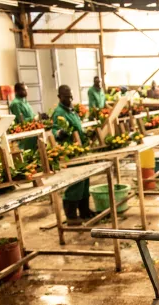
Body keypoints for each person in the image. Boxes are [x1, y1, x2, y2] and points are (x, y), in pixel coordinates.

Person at [52, 85, 93, 224]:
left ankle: (84, 211)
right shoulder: (59, 112)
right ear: (59, 97)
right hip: (71, 152)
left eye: (70, 96)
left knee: (85, 180)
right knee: (76, 182)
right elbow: (55, 131)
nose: (69, 99)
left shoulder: (72, 110)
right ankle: (71, 215)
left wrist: (85, 134)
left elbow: (78, 127)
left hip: (81, 150)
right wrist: (60, 134)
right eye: (66, 97)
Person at [9, 83, 38, 151]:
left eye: (25, 90)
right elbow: (21, 120)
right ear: (16, 91)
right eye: (22, 90)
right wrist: (34, 118)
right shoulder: (15, 104)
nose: (25, 92)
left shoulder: (25, 101)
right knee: (27, 153)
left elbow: (31, 114)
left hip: (33, 130)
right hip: (25, 133)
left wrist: (38, 116)